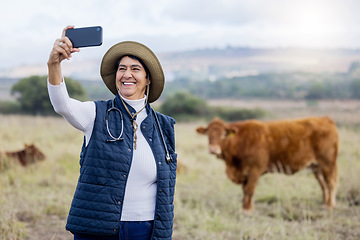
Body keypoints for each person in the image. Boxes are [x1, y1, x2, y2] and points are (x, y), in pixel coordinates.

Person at [47, 26, 177, 240]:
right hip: (99, 229)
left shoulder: (163, 126)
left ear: (148, 78)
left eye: (135, 69)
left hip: (145, 230)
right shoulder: (96, 113)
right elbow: (62, 105)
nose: (127, 74)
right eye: (122, 68)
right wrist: (54, 64)